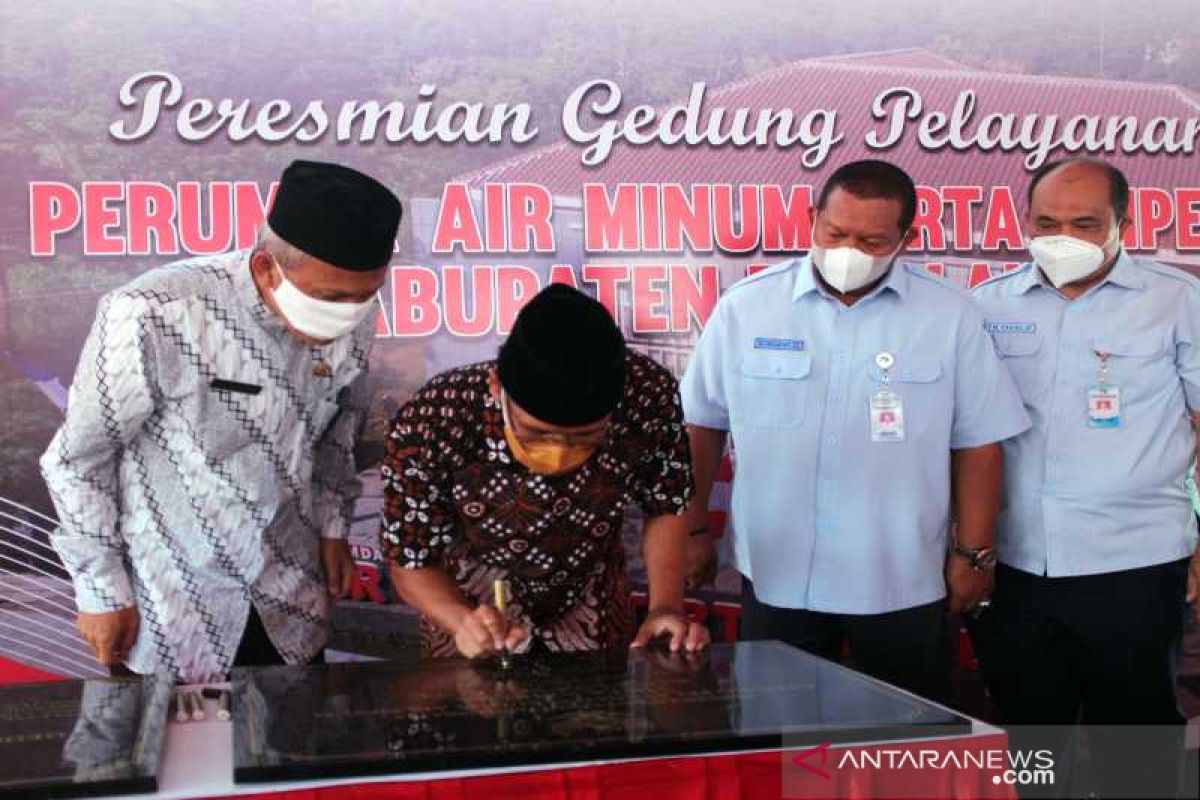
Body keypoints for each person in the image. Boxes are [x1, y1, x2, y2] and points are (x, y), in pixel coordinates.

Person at [681, 159, 1029, 702]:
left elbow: (980, 444)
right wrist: (694, 527)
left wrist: (975, 555)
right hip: (779, 575)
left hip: (900, 578)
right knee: (781, 743)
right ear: (813, 217)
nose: (848, 251)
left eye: (870, 240)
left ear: (904, 239)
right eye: (835, 232)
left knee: (902, 745)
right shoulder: (747, 309)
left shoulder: (949, 317)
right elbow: (702, 425)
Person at [41, 160, 401, 682]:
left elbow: (336, 432)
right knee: (175, 758)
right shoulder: (154, 312)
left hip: (290, 603)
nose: (351, 313)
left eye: (365, 295)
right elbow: (78, 461)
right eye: (333, 298)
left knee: (292, 754)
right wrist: (100, 589)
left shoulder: (355, 315)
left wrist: (332, 526)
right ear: (266, 269)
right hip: (174, 608)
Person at [969, 158, 1198, 796]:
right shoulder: (986, 306)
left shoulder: (1175, 301)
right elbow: (966, 440)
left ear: (1122, 223)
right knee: (1034, 744)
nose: (1061, 235)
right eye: (1046, 221)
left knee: (1138, 740)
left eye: (1084, 222)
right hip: (1013, 568)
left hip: (1135, 563)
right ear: (1023, 221)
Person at [381, 284, 709, 659]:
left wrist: (664, 606)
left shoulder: (647, 395)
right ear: (496, 387)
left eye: (584, 438)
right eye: (536, 433)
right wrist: (461, 621)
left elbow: (666, 503)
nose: (560, 453)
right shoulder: (436, 418)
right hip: (466, 600)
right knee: (469, 711)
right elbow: (409, 559)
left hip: (591, 595)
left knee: (594, 713)